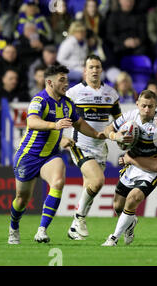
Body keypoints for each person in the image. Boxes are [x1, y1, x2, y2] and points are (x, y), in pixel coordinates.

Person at [8, 65, 107, 245]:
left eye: (66, 80)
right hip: (28, 157)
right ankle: (14, 227)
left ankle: (42, 230)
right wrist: (55, 125)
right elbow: (32, 121)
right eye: (62, 80)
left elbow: (79, 123)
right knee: (22, 200)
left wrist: (97, 134)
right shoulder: (40, 100)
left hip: (50, 157)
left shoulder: (67, 103)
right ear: (49, 82)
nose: (66, 84)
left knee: (58, 182)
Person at [101, 90, 157, 246]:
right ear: (137, 105)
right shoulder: (129, 117)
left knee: (133, 198)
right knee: (118, 206)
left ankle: (113, 238)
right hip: (132, 165)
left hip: (151, 169)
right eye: (144, 106)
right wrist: (117, 136)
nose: (147, 109)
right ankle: (130, 224)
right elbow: (108, 130)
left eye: (150, 106)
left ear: (156, 106)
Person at [65, 55, 125, 240]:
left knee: (90, 188)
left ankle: (74, 228)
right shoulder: (73, 93)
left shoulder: (111, 93)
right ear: (84, 70)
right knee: (98, 181)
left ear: (101, 70)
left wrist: (122, 135)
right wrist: (59, 137)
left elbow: (119, 121)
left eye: (97, 67)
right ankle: (79, 218)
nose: (94, 70)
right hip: (80, 144)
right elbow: (61, 117)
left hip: (101, 147)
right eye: (90, 67)